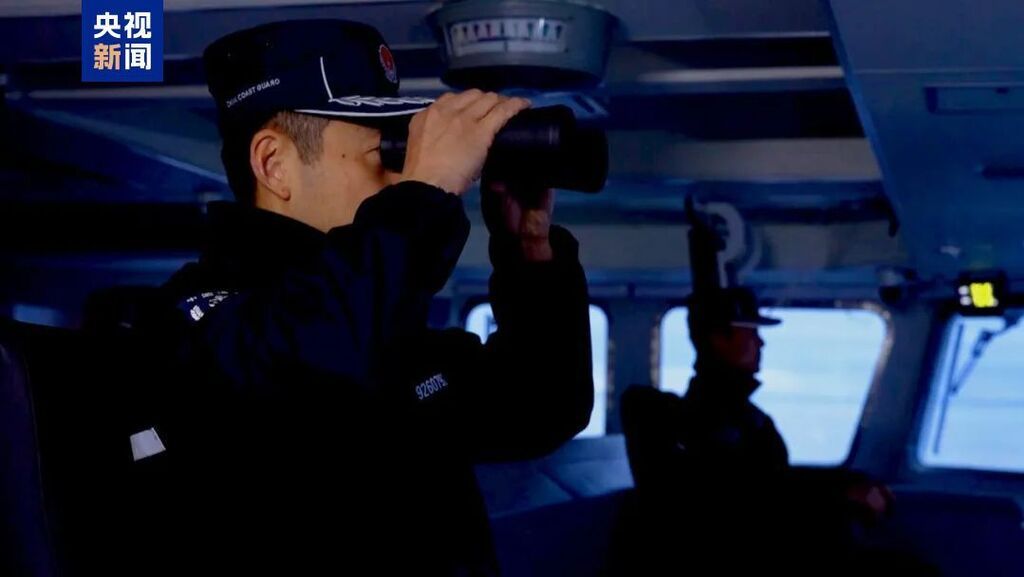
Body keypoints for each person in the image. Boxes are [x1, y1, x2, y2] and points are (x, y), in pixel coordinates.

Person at [132, 19, 594, 576]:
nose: (402, 179)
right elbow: (314, 359)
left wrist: (530, 253)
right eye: (387, 154)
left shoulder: (377, 323)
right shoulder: (197, 324)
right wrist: (426, 195)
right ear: (274, 165)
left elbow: (541, 404)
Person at [618, 287, 895, 574]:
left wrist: (851, 482)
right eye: (750, 332)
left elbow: (773, 482)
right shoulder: (697, 423)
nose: (760, 342)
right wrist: (840, 497)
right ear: (719, 339)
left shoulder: (749, 419)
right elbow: (748, 499)